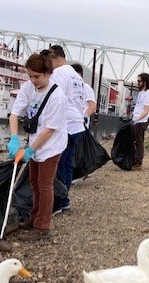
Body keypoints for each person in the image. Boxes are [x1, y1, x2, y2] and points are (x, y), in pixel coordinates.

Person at [7, 50, 68, 241]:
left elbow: (49, 130)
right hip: (35, 141)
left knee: (44, 184)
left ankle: (43, 227)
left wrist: (31, 150)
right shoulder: (28, 88)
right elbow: (15, 114)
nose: (33, 80)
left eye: (37, 76)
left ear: (48, 73)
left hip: (51, 146)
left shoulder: (57, 97)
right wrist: (14, 138)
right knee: (33, 181)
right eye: (30, 76)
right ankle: (34, 218)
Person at [49, 45, 85, 211]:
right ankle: (65, 199)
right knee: (67, 164)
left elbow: (57, 98)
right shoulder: (75, 75)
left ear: (54, 56)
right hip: (77, 124)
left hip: (66, 124)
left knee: (58, 165)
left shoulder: (59, 73)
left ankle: (60, 201)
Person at [131, 73, 149, 171]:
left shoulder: (148, 95)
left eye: (139, 81)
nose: (137, 83)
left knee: (139, 142)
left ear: (145, 82)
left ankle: (138, 163)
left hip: (141, 121)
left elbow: (146, 110)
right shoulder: (141, 93)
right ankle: (134, 160)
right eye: (137, 81)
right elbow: (139, 107)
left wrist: (138, 118)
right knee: (135, 141)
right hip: (136, 121)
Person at [71, 63, 97, 129]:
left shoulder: (85, 87)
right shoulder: (71, 88)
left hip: (80, 126)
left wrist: (85, 118)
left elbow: (92, 105)